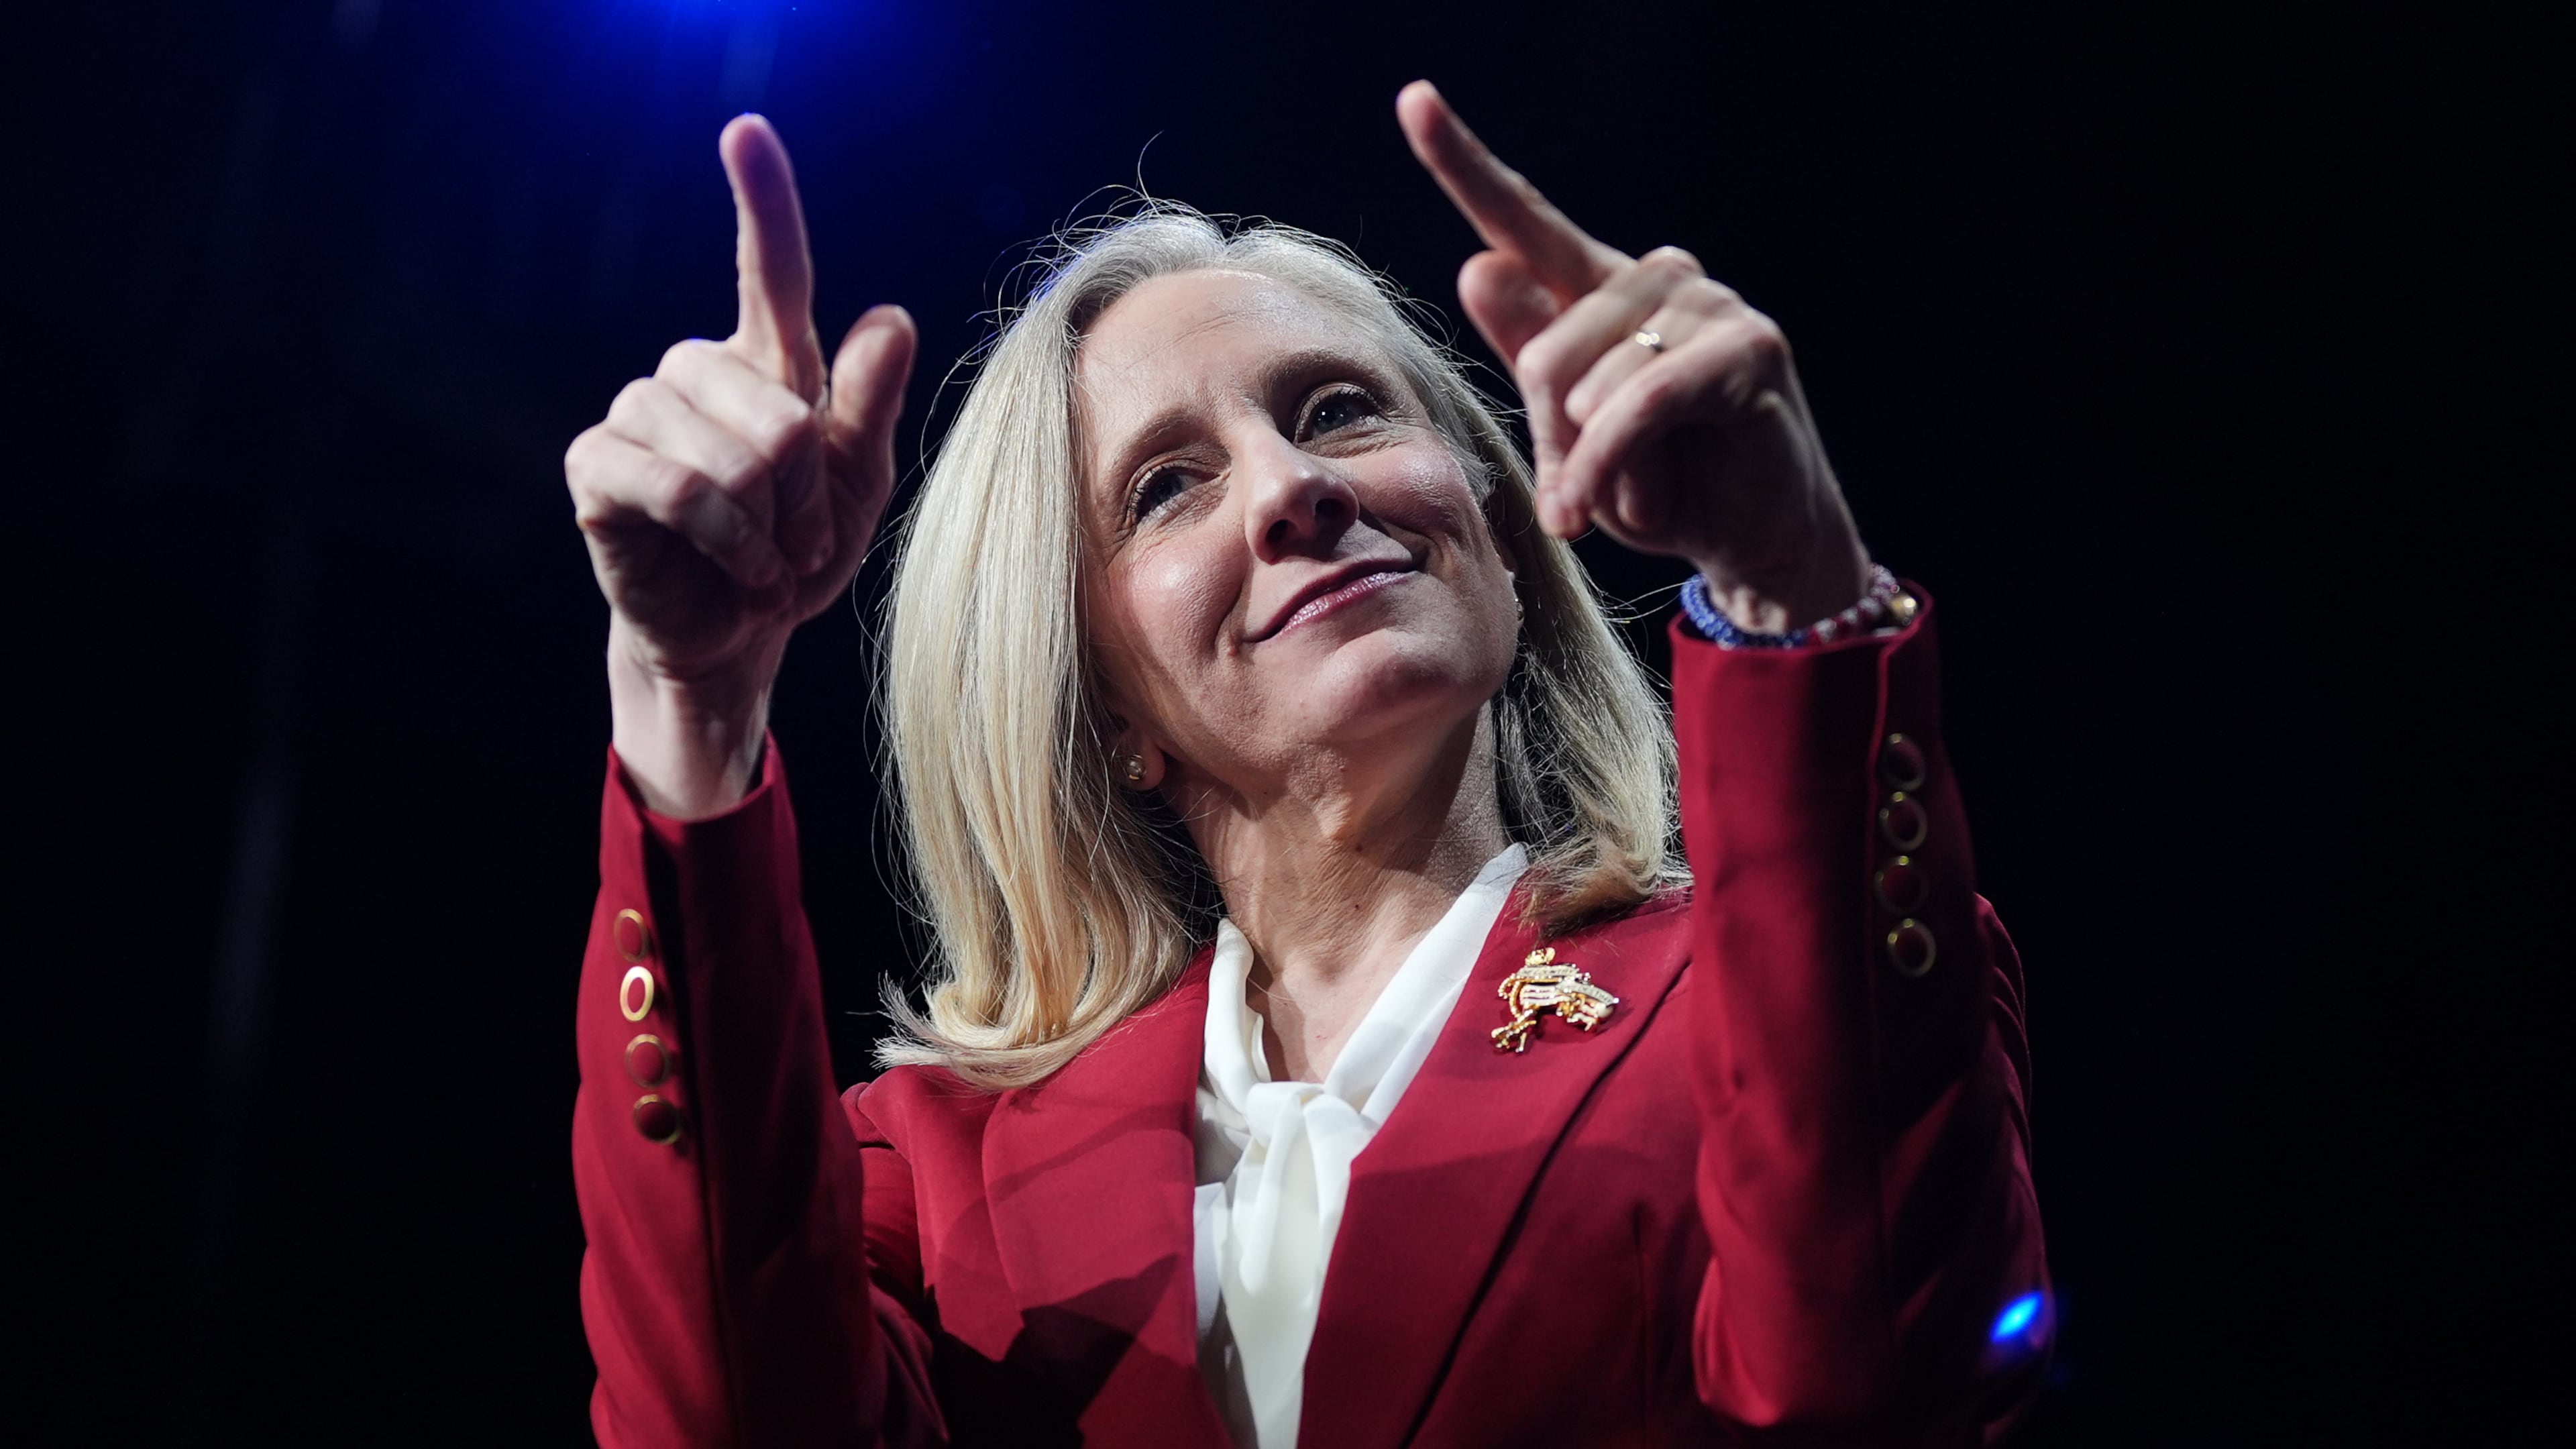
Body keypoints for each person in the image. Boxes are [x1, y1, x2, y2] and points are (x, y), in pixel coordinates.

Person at [562, 81, 2047, 1448]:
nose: (1295, 490)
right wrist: (688, 695)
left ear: (1505, 536)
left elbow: (1879, 1385)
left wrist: (1793, 577)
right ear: (1102, 709)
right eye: (1165, 489)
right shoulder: (935, 1181)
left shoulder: (1766, 1011)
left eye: (1339, 409)